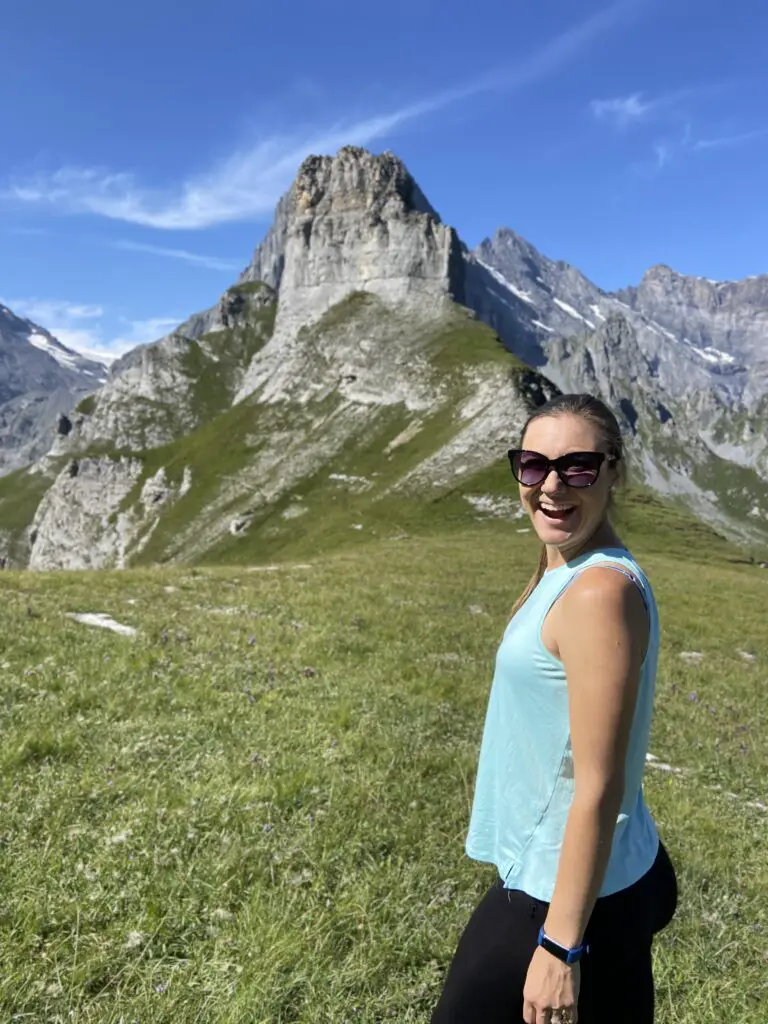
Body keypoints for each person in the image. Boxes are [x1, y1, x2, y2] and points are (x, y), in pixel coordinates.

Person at [430, 393, 678, 1024]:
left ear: (614, 470)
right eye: (533, 466)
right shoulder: (567, 565)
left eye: (578, 467)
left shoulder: (597, 591)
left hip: (558, 890)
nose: (551, 486)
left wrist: (561, 946)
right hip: (606, 870)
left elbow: (598, 782)